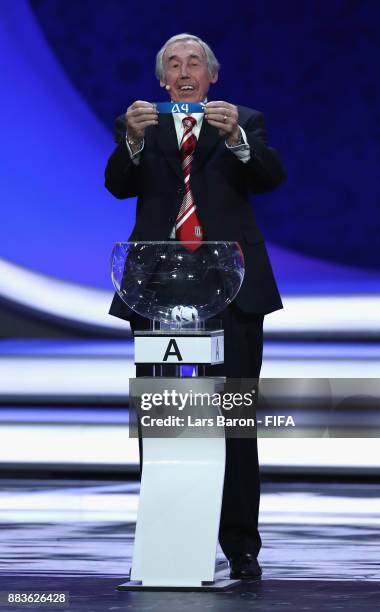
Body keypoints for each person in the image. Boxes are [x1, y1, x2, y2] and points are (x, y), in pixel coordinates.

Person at [105, 33, 286, 580]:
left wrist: (237, 143)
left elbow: (270, 177)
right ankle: (169, 536)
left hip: (233, 288)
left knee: (232, 418)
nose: (185, 71)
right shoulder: (140, 122)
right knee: (166, 417)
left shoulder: (244, 121)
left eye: (195, 64)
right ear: (163, 79)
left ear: (212, 77)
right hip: (159, 289)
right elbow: (117, 185)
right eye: (174, 65)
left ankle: (240, 544)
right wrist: (132, 146)